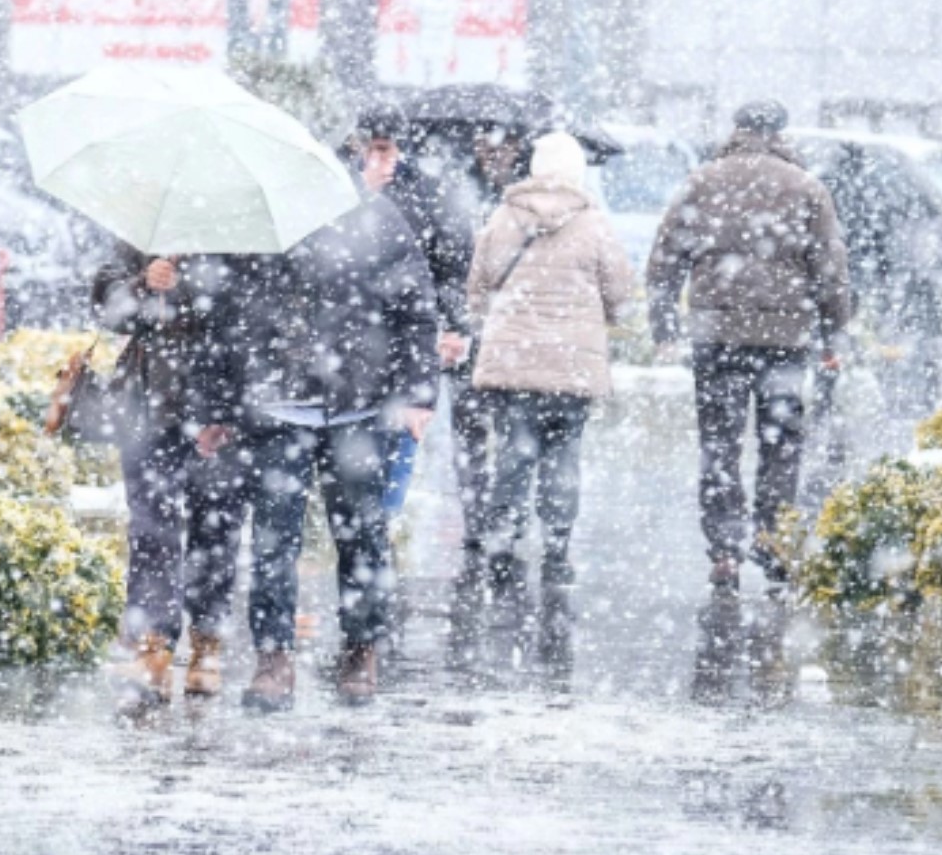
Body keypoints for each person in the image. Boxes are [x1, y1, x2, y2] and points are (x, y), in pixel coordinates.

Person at [192, 175, 438, 712]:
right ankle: (273, 657)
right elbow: (221, 315)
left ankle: (360, 648)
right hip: (276, 405)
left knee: (362, 534)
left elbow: (415, 309)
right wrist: (214, 407)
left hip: (358, 404)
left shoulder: (375, 216)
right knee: (274, 539)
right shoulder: (252, 219)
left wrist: (417, 394)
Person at [647, 100, 851, 589]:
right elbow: (830, 269)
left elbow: (665, 258)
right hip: (785, 337)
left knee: (719, 443)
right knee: (780, 445)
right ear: (781, 133)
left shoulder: (703, 181)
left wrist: (664, 327)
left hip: (717, 335)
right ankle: (773, 542)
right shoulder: (806, 186)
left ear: (737, 130)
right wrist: (833, 332)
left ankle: (724, 549)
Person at [465, 131, 632, 653]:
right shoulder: (593, 223)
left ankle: (502, 546)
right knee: (563, 456)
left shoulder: (504, 216)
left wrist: (489, 323)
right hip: (571, 367)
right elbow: (622, 295)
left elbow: (479, 284)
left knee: (514, 454)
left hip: (514, 362)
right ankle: (557, 550)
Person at [91, 245, 233, 709]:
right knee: (152, 529)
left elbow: (246, 311)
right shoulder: (143, 225)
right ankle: (153, 641)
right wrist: (142, 285)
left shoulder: (235, 235)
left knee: (214, 527)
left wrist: (189, 288)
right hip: (148, 409)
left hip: (215, 404)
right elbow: (109, 309)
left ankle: (207, 642)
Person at [345, 106, 474, 518]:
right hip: (346, 350)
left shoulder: (423, 193)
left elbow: (451, 267)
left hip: (400, 342)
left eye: (391, 149)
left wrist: (454, 324)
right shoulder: (333, 186)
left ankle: (379, 527)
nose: (385, 159)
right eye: (376, 149)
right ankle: (368, 531)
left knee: (396, 445)